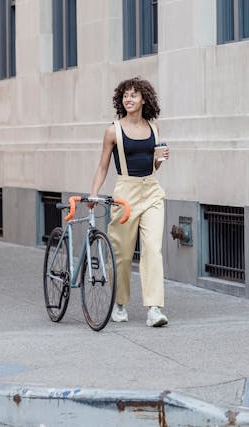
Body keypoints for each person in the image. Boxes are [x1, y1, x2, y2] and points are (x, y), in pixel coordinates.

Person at [89, 77, 170, 327]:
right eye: (125, 95)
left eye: (134, 95)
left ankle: (154, 308)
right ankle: (120, 303)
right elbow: (103, 166)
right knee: (122, 254)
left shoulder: (154, 128)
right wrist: (93, 194)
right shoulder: (113, 130)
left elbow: (154, 165)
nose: (129, 99)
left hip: (152, 191)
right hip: (126, 193)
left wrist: (160, 159)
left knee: (152, 249)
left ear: (144, 99)